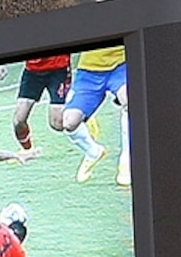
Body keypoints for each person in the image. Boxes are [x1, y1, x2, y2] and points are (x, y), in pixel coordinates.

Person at [49, 42, 134, 187]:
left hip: (121, 64)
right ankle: (93, 152)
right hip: (89, 71)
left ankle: (128, 158)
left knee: (129, 98)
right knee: (69, 121)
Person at [9, 53, 72, 154]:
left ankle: (80, 113)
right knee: (18, 120)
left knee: (57, 124)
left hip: (59, 69)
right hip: (32, 72)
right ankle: (28, 151)